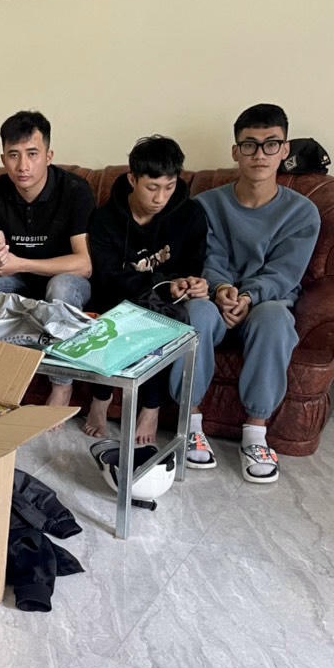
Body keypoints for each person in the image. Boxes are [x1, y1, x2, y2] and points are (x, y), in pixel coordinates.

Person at [181, 103, 321, 483]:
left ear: (284, 150)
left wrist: (248, 297)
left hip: (266, 303)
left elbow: (285, 272)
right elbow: (207, 258)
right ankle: (189, 425)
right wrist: (223, 290)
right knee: (195, 313)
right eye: (250, 145)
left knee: (274, 319)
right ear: (235, 151)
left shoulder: (302, 212)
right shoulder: (205, 205)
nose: (260, 154)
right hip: (215, 298)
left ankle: (256, 435)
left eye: (270, 144)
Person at [83, 135, 209, 441]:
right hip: (115, 295)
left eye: (169, 187)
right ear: (132, 179)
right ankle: (101, 398)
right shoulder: (105, 219)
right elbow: (106, 276)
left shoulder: (190, 215)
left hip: (166, 303)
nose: (160, 197)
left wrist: (188, 283)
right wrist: (163, 284)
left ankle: (151, 408)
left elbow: (193, 265)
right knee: (108, 314)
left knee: (165, 320)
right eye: (152, 187)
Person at [0, 110, 96, 406]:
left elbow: (84, 264)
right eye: (13, 155)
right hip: (17, 280)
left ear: (49, 156)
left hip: (66, 280)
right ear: (3, 158)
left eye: (32, 154)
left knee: (61, 286)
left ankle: (62, 385)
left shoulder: (75, 190)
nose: (23, 166)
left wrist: (21, 263)